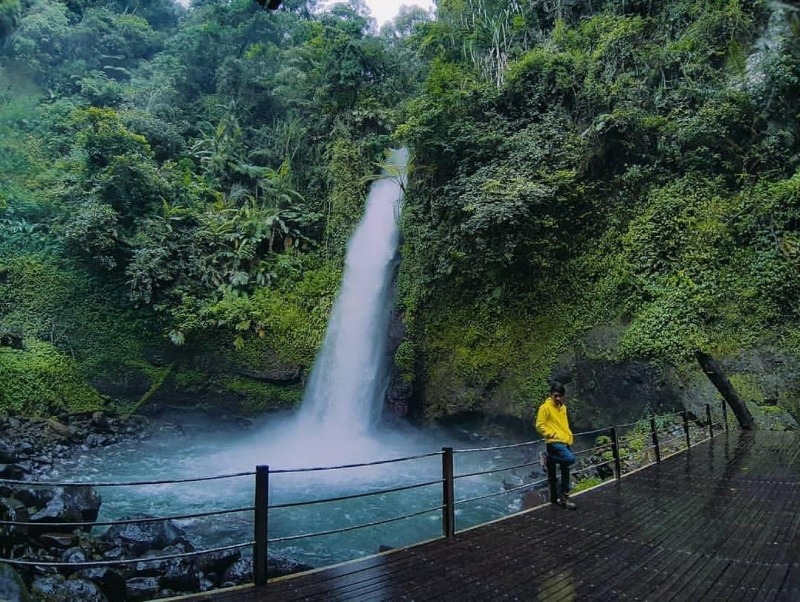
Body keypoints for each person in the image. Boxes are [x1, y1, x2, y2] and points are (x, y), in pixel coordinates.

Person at [536, 382, 577, 509]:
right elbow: (539, 425)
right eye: (556, 395)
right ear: (551, 395)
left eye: (560, 396)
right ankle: (549, 458)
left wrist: (568, 436)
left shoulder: (563, 408)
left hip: (564, 441)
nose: (558, 398)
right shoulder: (545, 408)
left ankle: (564, 497)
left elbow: (563, 424)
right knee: (570, 459)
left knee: (566, 469)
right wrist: (551, 434)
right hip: (553, 442)